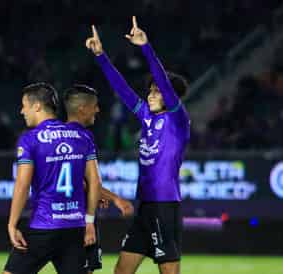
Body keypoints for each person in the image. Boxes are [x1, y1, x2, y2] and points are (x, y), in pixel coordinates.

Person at [86, 17, 190, 274]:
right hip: (144, 206)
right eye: (150, 90)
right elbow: (122, 90)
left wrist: (145, 48)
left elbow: (164, 82)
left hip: (165, 206)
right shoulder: (147, 116)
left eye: (157, 91)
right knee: (121, 271)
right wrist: (101, 56)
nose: (151, 94)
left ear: (170, 97)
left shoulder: (177, 119)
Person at [3, 82, 101, 274]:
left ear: (37, 106)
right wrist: (89, 222)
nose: (22, 111)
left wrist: (12, 224)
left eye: (24, 105)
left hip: (43, 226)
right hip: (75, 229)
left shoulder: (30, 139)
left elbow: (22, 185)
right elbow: (95, 182)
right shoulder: (83, 136)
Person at [63, 84, 135, 273]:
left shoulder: (58, 137)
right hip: (79, 218)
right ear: (82, 109)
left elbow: (81, 182)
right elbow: (89, 182)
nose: (98, 109)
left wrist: (93, 193)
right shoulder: (83, 137)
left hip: (55, 219)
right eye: (94, 105)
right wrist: (116, 199)